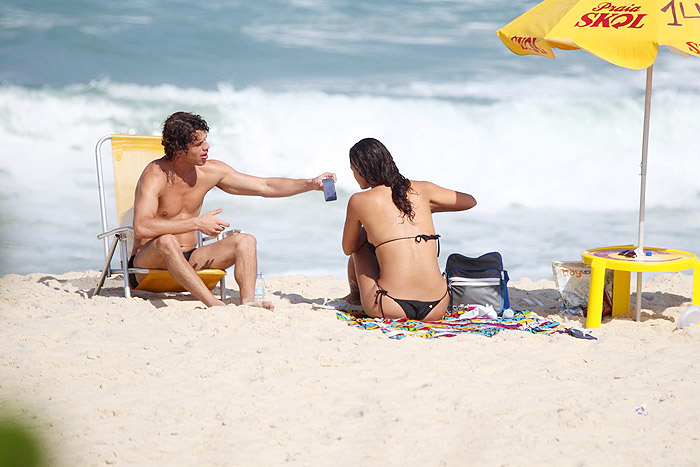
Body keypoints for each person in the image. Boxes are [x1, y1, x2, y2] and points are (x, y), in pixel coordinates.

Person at [131, 111, 335, 309]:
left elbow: (265, 186)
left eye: (205, 141)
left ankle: (248, 302)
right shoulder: (155, 175)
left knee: (245, 241)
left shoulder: (210, 171)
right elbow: (141, 227)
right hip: (148, 265)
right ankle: (213, 304)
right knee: (168, 240)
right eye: (198, 144)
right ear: (178, 149)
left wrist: (310, 183)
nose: (207, 147)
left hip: (190, 259)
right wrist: (197, 223)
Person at [342, 138, 476, 321]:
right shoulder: (423, 190)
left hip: (389, 305)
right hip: (437, 306)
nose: (354, 176)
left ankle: (354, 297)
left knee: (361, 248)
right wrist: (428, 207)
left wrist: (371, 228)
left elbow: (348, 248)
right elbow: (470, 201)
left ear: (362, 169)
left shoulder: (359, 200)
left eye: (353, 171)